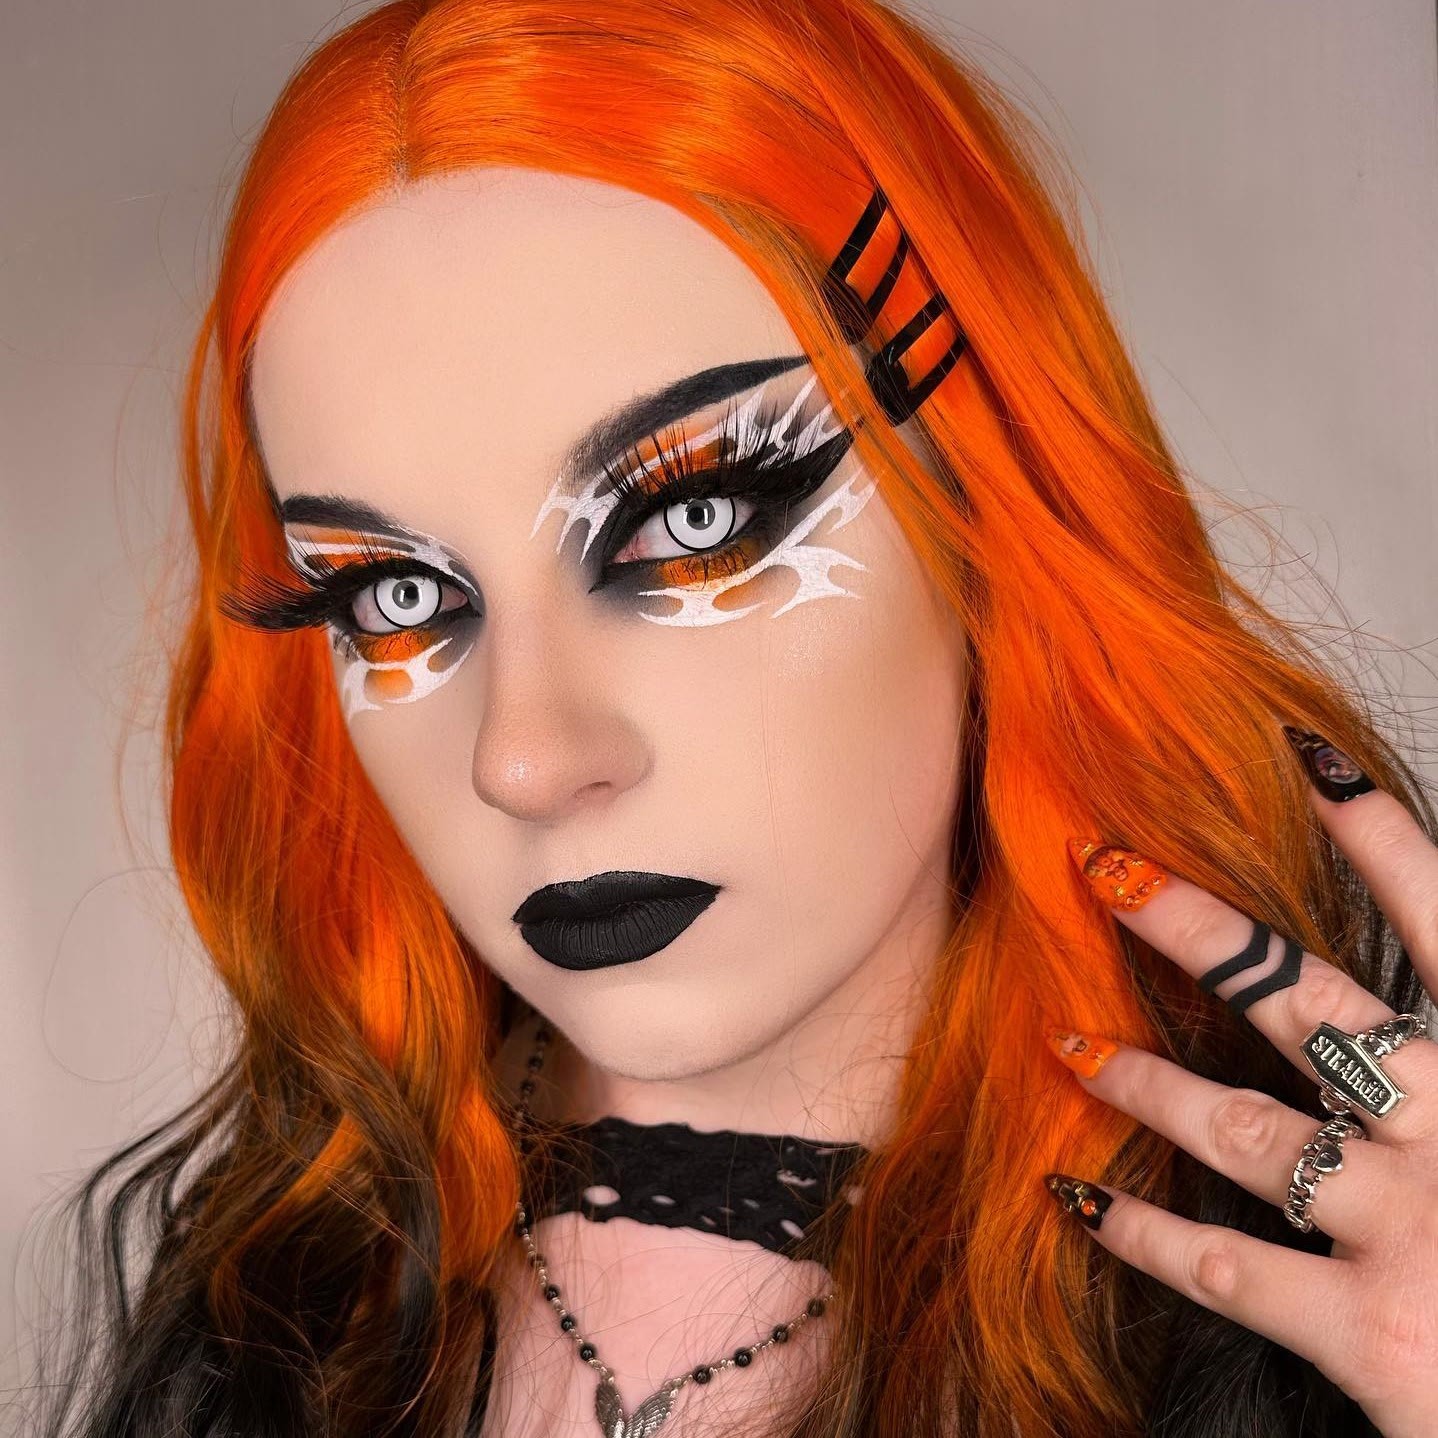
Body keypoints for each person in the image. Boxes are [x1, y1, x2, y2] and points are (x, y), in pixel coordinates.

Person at [23, 2, 1437, 1435]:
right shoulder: (271, 1295)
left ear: (989, 501)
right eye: (396, 597)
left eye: (694, 521)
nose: (524, 759)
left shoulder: (1333, 1290)